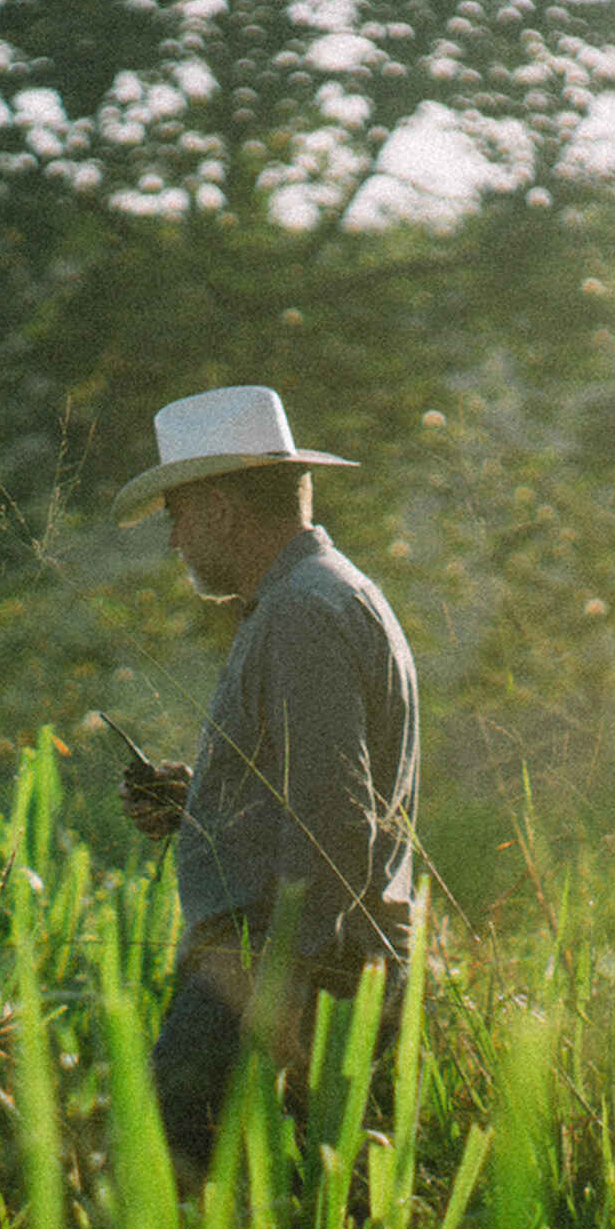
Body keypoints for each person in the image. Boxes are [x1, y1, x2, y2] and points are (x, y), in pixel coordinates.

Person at [112, 384, 420, 1186]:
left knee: (169, 1210)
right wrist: (202, 801)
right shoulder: (322, 596)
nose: (173, 539)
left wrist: (273, 1004)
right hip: (312, 974)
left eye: (177, 514)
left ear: (217, 508)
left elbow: (333, 824)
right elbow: (319, 793)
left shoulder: (302, 612)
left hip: (276, 977)